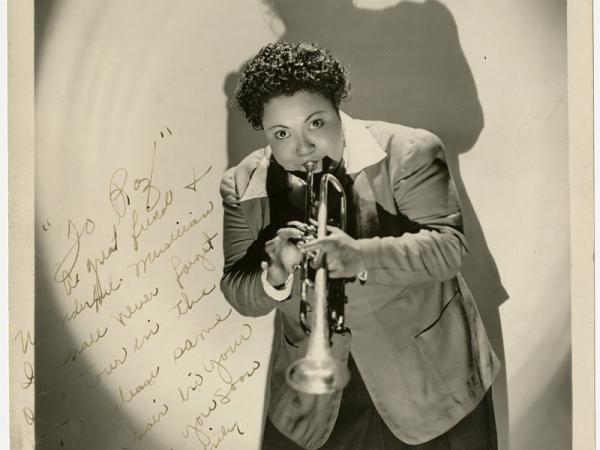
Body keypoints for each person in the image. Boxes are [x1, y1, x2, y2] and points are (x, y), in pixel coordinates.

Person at [219, 41, 500, 450]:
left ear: (338, 111)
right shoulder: (242, 184)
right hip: (314, 407)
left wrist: (360, 256)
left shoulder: (409, 151)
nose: (302, 148)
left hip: (430, 388)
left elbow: (447, 249)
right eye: (281, 133)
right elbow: (237, 288)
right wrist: (274, 275)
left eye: (315, 123)